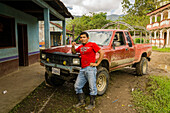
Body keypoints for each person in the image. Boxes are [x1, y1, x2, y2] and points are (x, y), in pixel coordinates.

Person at [71, 32, 104, 110]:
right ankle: (82, 102)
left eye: (84, 37)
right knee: (77, 86)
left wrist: (97, 63)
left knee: (92, 87)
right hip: (82, 69)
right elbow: (74, 52)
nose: (82, 39)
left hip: (90, 69)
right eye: (81, 37)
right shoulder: (80, 47)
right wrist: (73, 46)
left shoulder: (92, 44)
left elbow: (101, 52)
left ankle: (92, 104)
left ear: (88, 38)